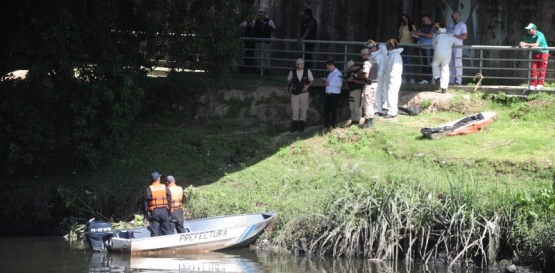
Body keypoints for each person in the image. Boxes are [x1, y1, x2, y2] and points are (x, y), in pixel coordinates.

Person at [287, 58, 314, 133]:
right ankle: (295, 124)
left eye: (303, 64)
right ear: (296, 65)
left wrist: (307, 86)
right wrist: (291, 85)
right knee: (295, 109)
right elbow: (289, 80)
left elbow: (312, 80)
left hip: (304, 93)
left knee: (303, 108)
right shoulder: (292, 72)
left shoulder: (307, 71)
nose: (302, 65)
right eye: (300, 64)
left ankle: (302, 124)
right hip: (294, 93)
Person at [519, 23, 549, 90]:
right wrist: (521, 43)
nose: (528, 31)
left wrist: (525, 44)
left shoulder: (540, 35)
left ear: (534, 29)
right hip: (535, 53)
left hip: (543, 53)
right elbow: (524, 42)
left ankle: (540, 84)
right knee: (533, 68)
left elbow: (536, 44)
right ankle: (533, 84)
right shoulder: (528, 35)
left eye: (529, 30)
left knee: (542, 69)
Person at [355, 43, 379, 128]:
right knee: (371, 102)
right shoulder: (374, 61)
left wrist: (357, 75)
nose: (361, 57)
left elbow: (366, 75)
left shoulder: (367, 63)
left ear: (365, 55)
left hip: (369, 85)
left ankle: (368, 121)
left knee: (367, 102)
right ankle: (370, 119)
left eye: (362, 55)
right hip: (375, 84)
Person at [144, 172, 172, 236]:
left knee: (154, 232)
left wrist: (146, 216)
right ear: (158, 178)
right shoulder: (164, 187)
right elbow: (169, 200)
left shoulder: (149, 189)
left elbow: (145, 203)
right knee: (167, 231)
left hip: (154, 212)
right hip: (164, 211)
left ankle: (155, 244)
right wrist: (170, 213)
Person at [432, 22, 457, 94]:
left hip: (438, 52)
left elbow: (433, 44)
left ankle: (437, 78)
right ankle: (444, 88)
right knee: (445, 68)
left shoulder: (436, 35)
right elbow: (454, 41)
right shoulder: (449, 34)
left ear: (437, 28)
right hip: (448, 53)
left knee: (435, 64)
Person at [410, 14, 435, 84]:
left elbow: (430, 35)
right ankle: (425, 78)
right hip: (421, 46)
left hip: (429, 47)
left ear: (427, 18)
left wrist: (421, 33)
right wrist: (413, 33)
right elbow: (418, 33)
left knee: (429, 63)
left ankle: (430, 78)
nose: (423, 22)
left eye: (423, 20)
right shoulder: (423, 26)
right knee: (423, 63)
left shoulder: (433, 26)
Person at [253, 8, 277, 76]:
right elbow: (253, 29)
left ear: (264, 13)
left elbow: (274, 30)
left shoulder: (269, 21)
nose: (260, 15)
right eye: (259, 13)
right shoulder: (256, 21)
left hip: (266, 41)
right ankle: (259, 69)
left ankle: (267, 69)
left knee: (266, 56)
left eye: (262, 13)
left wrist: (270, 27)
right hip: (258, 41)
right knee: (258, 55)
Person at [383, 39, 403, 118]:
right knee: (391, 94)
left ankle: (392, 113)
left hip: (394, 78)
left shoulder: (395, 55)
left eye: (388, 45)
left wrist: (392, 77)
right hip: (391, 78)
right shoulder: (392, 54)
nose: (387, 47)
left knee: (391, 94)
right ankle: (392, 110)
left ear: (391, 46)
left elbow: (395, 68)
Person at [322, 60, 343, 131]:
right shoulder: (330, 74)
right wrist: (326, 81)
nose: (327, 69)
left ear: (332, 65)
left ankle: (332, 125)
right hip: (328, 94)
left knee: (333, 110)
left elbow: (339, 84)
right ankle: (326, 125)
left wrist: (329, 83)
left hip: (334, 94)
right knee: (326, 110)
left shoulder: (338, 73)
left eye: (328, 67)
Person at [448, 11, 468, 85]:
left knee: (458, 63)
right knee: (451, 63)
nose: (452, 18)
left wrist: (455, 36)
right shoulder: (451, 25)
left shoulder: (462, 25)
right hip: (450, 45)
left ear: (457, 16)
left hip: (458, 46)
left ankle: (458, 80)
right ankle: (451, 80)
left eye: (453, 16)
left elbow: (464, 36)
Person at [344, 60, 364, 126]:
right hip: (351, 90)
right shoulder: (350, 72)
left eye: (350, 68)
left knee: (357, 106)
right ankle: (353, 119)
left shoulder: (360, 72)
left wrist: (353, 80)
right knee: (352, 106)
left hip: (358, 90)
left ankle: (357, 120)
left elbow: (362, 82)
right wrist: (348, 79)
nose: (349, 69)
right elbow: (347, 78)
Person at [398, 13, 416, 84]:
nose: (404, 19)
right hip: (402, 45)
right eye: (403, 19)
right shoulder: (401, 27)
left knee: (409, 62)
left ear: (408, 18)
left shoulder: (412, 26)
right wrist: (402, 27)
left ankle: (412, 78)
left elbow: (415, 36)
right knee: (403, 62)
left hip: (409, 45)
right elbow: (399, 37)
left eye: (405, 18)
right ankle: (404, 78)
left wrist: (412, 33)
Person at [373, 44, 388, 116]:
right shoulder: (383, 56)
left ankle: (379, 109)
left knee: (378, 93)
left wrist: (377, 76)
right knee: (381, 92)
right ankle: (381, 108)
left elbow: (380, 68)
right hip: (383, 76)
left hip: (380, 76)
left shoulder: (379, 56)